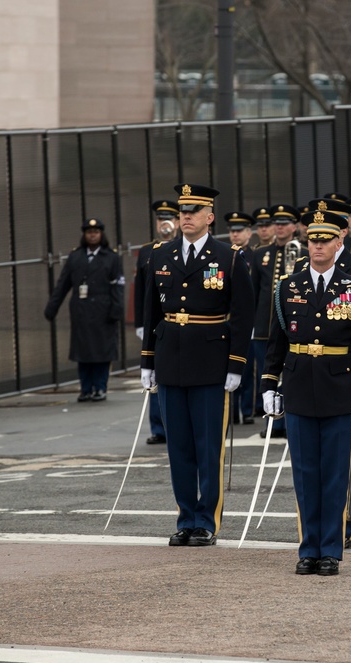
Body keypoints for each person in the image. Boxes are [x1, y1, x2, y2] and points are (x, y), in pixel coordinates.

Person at [140, 183, 255, 546]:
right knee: (179, 447)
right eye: (182, 211)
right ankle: (185, 517)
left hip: (210, 360)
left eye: (193, 211)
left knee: (207, 447)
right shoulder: (160, 255)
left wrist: (236, 364)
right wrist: (147, 360)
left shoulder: (229, 257)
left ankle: (206, 520)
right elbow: (151, 310)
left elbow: (242, 316)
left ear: (209, 217)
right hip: (171, 357)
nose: (185, 217)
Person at [260, 210, 351, 576]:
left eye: (325, 240)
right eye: (313, 240)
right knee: (305, 474)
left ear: (339, 243)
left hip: (338, 387)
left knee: (335, 473)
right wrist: (267, 384)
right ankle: (308, 548)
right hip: (297, 386)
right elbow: (275, 342)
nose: (318, 246)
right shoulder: (287, 287)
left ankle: (330, 549)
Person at [44, 218, 124, 402]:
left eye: (96, 232)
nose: (92, 235)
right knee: (84, 353)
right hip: (81, 311)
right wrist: (52, 308)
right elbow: (63, 284)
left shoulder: (111, 257)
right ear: (84, 235)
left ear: (101, 234)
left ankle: (100, 388)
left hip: (104, 312)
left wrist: (116, 310)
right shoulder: (76, 256)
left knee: (102, 352)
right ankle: (86, 388)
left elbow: (118, 286)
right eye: (89, 232)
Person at [250, 204, 305, 437]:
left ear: (294, 226)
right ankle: (273, 421)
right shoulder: (260, 254)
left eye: (285, 223)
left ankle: (289, 421)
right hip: (264, 326)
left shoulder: (303, 252)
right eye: (277, 224)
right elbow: (253, 292)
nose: (280, 227)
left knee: (291, 376)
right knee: (268, 375)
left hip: (294, 327)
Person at [135, 200, 179, 444]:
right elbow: (142, 290)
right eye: (161, 218)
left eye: (170, 218)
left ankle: (173, 425)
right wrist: (140, 323)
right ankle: (158, 428)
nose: (165, 223)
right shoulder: (146, 251)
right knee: (152, 372)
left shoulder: (182, 248)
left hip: (177, 319)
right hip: (154, 321)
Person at [225, 211, 258, 425]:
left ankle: (247, 409)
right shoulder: (227, 255)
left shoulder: (256, 256)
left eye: (240, 231)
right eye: (232, 231)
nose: (235, 235)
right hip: (228, 318)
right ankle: (231, 408)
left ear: (248, 233)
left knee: (247, 369)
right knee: (229, 366)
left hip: (250, 318)